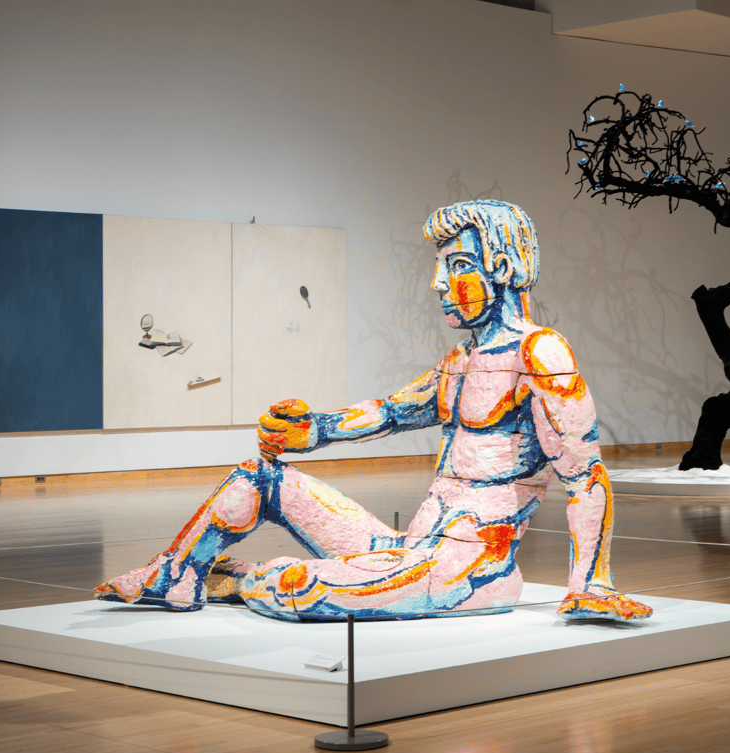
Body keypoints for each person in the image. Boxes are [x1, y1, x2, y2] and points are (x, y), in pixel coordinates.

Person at [96, 200, 652, 622]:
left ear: (501, 266)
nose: (437, 284)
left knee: (294, 589)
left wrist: (591, 585)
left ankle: (244, 579)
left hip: (468, 571)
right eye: (440, 266)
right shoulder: (461, 361)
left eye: (456, 265)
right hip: (411, 550)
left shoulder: (540, 354)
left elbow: (585, 475)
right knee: (259, 478)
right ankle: (176, 577)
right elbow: (390, 411)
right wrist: (312, 430)